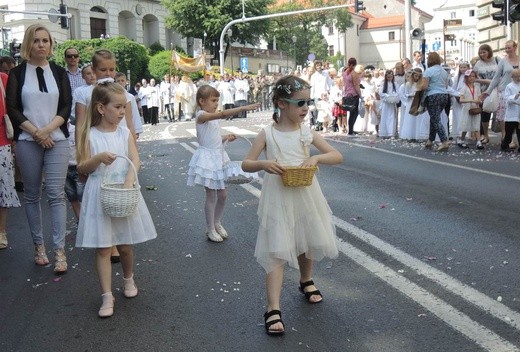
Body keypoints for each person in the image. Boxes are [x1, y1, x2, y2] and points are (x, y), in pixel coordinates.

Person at [241, 75, 342, 336]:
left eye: (308, 102)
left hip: (306, 193)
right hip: (278, 196)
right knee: (276, 248)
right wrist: (263, 164)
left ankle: (306, 280)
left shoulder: (307, 133)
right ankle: (272, 307)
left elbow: (336, 155)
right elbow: (246, 163)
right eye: (299, 102)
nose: (305, 108)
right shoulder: (267, 134)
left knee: (307, 239)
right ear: (280, 104)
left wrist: (317, 159)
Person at [75, 82, 157, 318]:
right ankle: (106, 295)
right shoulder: (89, 134)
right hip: (99, 192)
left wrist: (129, 181)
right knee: (103, 247)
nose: (123, 112)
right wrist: (98, 158)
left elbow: (135, 159)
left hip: (123, 192)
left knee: (124, 244)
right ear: (101, 108)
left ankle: (128, 278)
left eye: (124, 107)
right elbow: (82, 167)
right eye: (118, 107)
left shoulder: (124, 132)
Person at [6, 24, 72, 273]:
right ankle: (39, 246)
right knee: (32, 194)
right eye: (36, 41)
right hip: (27, 141)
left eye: (46, 40)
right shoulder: (18, 73)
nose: (41, 45)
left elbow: (66, 106)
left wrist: (47, 131)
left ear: (51, 45)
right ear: (28, 44)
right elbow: (12, 107)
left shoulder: (59, 72)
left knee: (56, 194)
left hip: (57, 140)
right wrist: (36, 132)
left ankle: (59, 251)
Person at [187, 85, 259, 242]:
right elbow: (224, 114)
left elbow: (212, 138)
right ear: (202, 101)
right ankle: (210, 228)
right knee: (211, 195)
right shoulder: (201, 115)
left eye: (217, 100)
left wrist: (225, 138)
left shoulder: (211, 117)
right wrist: (245, 107)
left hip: (218, 157)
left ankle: (217, 222)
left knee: (223, 194)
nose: (216, 104)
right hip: (207, 159)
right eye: (213, 100)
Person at [481, 40, 520, 141]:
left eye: (509, 48)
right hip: (505, 90)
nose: (507, 50)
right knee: (504, 115)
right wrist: (488, 92)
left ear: (515, 48)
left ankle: (515, 139)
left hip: (518, 90)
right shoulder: (503, 61)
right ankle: (506, 138)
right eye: (506, 48)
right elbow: (496, 77)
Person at [0, 70, 21, 249]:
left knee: (3, 188)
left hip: (2, 142)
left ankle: (2, 231)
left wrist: (15, 139)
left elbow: (13, 108)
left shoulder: (3, 79)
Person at [416, 52, 450, 152]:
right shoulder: (444, 72)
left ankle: (444, 141)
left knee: (435, 119)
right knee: (434, 117)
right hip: (444, 95)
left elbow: (425, 86)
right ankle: (430, 140)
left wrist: (418, 88)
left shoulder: (428, 71)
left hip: (433, 95)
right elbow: (446, 86)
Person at [473, 44, 499, 144]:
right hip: (484, 91)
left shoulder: (497, 60)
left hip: (497, 90)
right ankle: (485, 135)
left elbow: (503, 73)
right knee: (485, 112)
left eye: (484, 52)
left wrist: (492, 82)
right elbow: (474, 78)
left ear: (489, 51)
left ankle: (504, 135)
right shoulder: (478, 64)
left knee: (499, 113)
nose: (482, 54)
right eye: (480, 52)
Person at [458, 70, 484, 149]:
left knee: (476, 124)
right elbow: (461, 100)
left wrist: (480, 100)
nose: (471, 78)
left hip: (475, 108)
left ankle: (478, 141)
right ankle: (462, 139)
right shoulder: (464, 87)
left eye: (473, 76)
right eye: (469, 76)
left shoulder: (477, 87)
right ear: (466, 77)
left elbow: (479, 97)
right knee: (465, 124)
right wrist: (472, 101)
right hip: (467, 108)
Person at [115, 72, 143, 138]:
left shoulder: (130, 97)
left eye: (122, 80)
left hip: (128, 126)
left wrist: (136, 130)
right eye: (118, 81)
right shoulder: (112, 96)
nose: (120, 82)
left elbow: (135, 113)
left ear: (126, 82)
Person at [500, 68, 520, 151]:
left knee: (519, 131)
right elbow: (506, 98)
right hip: (512, 112)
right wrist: (515, 96)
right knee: (509, 131)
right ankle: (505, 144)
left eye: (518, 76)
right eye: (515, 76)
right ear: (512, 77)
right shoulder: (509, 86)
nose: (517, 78)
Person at [342, 57, 362, 135]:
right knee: (354, 113)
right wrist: (360, 95)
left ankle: (350, 129)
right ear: (355, 64)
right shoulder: (354, 73)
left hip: (347, 94)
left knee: (351, 113)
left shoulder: (344, 72)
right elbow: (356, 85)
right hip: (354, 94)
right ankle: (350, 130)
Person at [378, 70, 399, 138]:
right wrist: (387, 96)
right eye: (388, 77)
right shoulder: (383, 84)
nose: (389, 78)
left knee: (392, 117)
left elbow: (398, 92)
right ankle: (384, 132)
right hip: (385, 103)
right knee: (385, 117)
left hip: (392, 104)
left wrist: (394, 96)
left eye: (391, 77)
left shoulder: (395, 84)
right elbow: (381, 93)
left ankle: (391, 132)